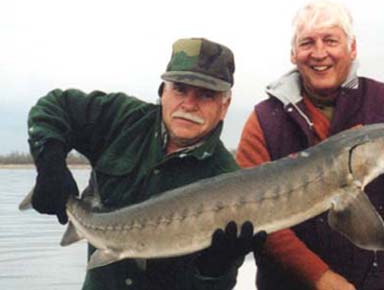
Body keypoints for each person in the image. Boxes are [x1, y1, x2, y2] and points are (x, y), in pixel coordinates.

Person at [236, 0, 384, 290]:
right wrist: (319, 277)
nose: (319, 53)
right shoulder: (264, 120)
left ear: (353, 48)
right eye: (307, 42)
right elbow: (252, 217)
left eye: (331, 40)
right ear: (293, 54)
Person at [28, 37, 266, 290]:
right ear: (163, 91)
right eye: (180, 89)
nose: (189, 104)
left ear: (224, 105)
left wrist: (215, 270)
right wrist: (49, 162)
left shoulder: (228, 182)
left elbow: (217, 285)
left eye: (206, 95)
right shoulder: (122, 119)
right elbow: (54, 106)